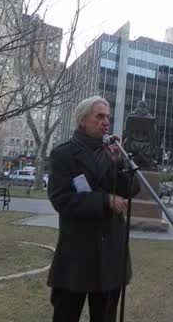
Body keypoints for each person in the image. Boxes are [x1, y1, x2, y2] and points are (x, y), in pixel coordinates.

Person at [47, 95, 140, 322]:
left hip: (111, 253)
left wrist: (119, 163)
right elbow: (62, 199)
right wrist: (105, 201)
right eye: (99, 116)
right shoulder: (63, 154)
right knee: (66, 314)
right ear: (82, 120)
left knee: (105, 316)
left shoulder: (114, 152)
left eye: (107, 117)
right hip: (77, 254)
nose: (106, 122)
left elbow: (133, 188)